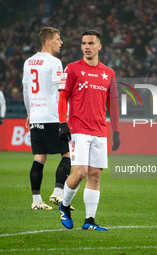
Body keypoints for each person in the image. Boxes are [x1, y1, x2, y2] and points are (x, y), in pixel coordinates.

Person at [58, 29, 120, 231]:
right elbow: (63, 97)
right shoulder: (72, 69)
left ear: (99, 46)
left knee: (95, 175)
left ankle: (89, 221)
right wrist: (62, 123)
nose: (87, 47)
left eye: (91, 43)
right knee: (80, 172)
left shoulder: (108, 73)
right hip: (78, 128)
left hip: (100, 130)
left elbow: (113, 104)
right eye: (84, 43)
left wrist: (116, 131)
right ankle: (64, 204)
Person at [22, 27, 72, 211]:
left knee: (39, 157)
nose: (61, 42)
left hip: (35, 115)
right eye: (58, 39)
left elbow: (26, 91)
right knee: (67, 154)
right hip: (52, 116)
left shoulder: (28, 62)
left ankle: (36, 201)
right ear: (48, 41)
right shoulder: (55, 62)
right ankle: (58, 193)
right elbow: (60, 92)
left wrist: (29, 112)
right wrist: (63, 118)